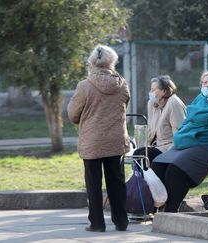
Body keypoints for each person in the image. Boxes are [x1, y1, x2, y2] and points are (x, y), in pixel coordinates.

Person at [151, 70, 208, 212]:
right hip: (187, 143)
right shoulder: (200, 98)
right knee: (158, 164)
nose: (206, 86)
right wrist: (180, 134)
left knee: (176, 170)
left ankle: (170, 211)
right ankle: (157, 207)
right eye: (203, 83)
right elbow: (188, 120)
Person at [67, 44, 130, 232]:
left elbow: (72, 114)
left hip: (92, 141)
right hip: (116, 139)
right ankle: (121, 221)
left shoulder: (84, 86)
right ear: (112, 62)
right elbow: (125, 103)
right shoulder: (122, 84)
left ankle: (97, 223)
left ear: (92, 63)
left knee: (93, 183)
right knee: (117, 181)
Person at [133, 75, 186, 164]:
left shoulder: (174, 103)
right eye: (151, 89)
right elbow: (150, 128)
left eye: (153, 90)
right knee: (138, 153)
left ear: (164, 91)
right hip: (156, 145)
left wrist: (173, 152)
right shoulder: (152, 103)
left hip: (169, 147)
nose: (150, 92)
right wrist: (143, 144)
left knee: (146, 155)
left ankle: (148, 178)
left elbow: (179, 131)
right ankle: (141, 178)